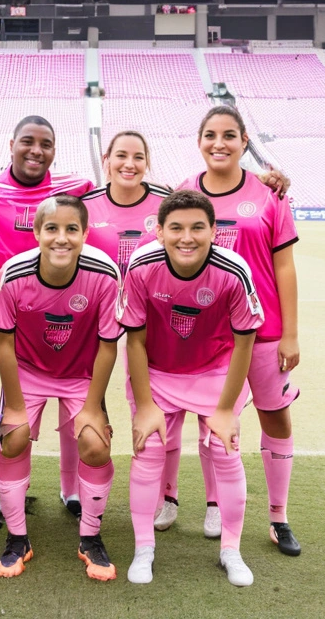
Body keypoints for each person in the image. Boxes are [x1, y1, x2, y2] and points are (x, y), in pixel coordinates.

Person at [153, 106, 302, 558]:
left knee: (275, 416)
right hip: (208, 334)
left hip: (266, 332)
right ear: (199, 141)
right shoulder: (182, 192)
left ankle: (279, 516)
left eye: (229, 135)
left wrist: (291, 334)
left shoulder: (269, 194)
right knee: (213, 426)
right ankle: (211, 503)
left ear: (243, 142)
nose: (219, 143)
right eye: (210, 135)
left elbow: (285, 266)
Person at [0, 115, 95, 522]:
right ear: (12, 143)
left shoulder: (74, 188)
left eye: (46, 144)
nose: (36, 150)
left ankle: (71, 490)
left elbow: (122, 196)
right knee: (15, 402)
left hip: (70, 309)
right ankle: (13, 490)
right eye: (28, 142)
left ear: (55, 149)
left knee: (75, 404)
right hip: (14, 314)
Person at [122, 190, 263, 587]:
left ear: (214, 231)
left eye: (198, 227)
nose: (187, 237)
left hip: (214, 369)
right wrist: (145, 404)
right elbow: (133, 338)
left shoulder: (233, 270)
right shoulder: (142, 265)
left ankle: (231, 550)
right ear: (160, 232)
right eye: (177, 228)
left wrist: (224, 410)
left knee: (225, 447)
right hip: (158, 370)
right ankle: (143, 548)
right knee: (148, 448)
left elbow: (245, 341)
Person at [0, 195, 123, 582]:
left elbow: (108, 346)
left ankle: (90, 539)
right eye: (52, 229)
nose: (61, 238)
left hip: (80, 373)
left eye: (71, 229)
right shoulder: (13, 274)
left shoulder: (105, 274)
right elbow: (4, 345)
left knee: (95, 444)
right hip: (27, 371)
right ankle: (17, 539)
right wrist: (13, 406)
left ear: (85, 234)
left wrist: (93, 407)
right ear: (36, 233)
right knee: (13, 437)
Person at [81, 131, 170, 276]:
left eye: (138, 157)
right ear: (107, 159)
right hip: (99, 296)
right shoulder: (85, 205)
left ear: (146, 162)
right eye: (121, 155)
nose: (129, 164)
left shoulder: (168, 204)